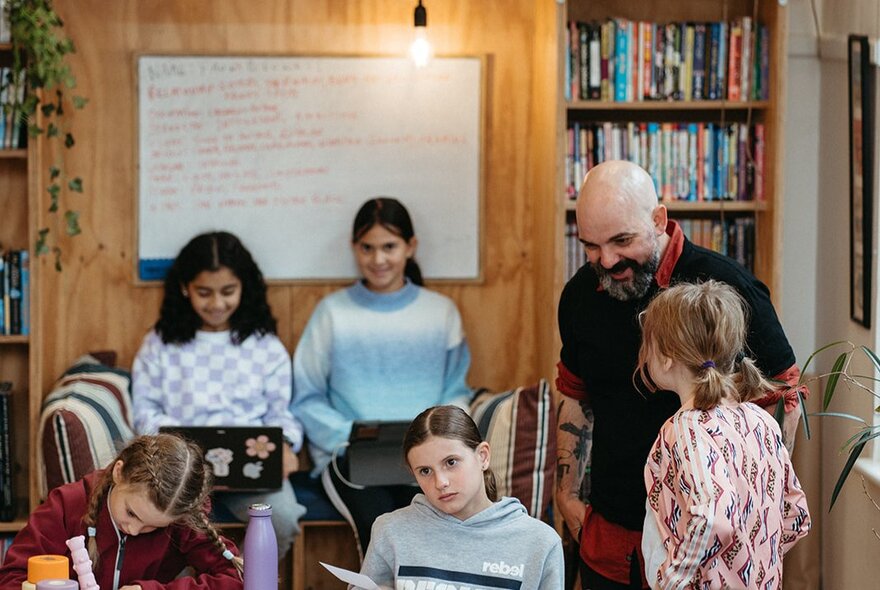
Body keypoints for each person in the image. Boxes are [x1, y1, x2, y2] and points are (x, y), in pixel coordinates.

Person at [555, 160, 807, 589]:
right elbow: (576, 394)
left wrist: (751, 523)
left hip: (707, 558)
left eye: (622, 240)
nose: (608, 260)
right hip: (610, 536)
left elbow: (783, 394)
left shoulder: (727, 288)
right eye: (591, 246)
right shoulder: (580, 295)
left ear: (659, 220)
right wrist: (567, 492)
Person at [291, 197, 472, 555]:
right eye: (367, 248)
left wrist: (436, 444)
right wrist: (349, 438)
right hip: (350, 459)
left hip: (426, 457)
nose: (378, 259)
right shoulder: (331, 313)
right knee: (380, 533)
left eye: (389, 246)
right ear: (354, 248)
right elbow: (306, 398)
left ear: (410, 247)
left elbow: (456, 390)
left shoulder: (441, 313)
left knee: (433, 530)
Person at [132, 231, 305, 558]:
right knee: (164, 523)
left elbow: (282, 412)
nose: (216, 304)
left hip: (253, 471)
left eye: (228, 292)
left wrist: (285, 445)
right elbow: (145, 410)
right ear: (185, 288)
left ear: (244, 287)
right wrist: (174, 444)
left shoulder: (264, 345)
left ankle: (244, 580)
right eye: (203, 293)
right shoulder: (160, 344)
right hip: (180, 470)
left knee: (281, 518)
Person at [638, 281, 811, 588]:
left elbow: (711, 517)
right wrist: (754, 559)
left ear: (665, 357)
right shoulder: (762, 420)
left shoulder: (685, 430)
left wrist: (671, 580)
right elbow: (796, 518)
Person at [0, 434, 243, 590]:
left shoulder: (181, 520)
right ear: (119, 472)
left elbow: (237, 578)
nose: (134, 530)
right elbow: (11, 577)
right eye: (131, 513)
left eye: (154, 527)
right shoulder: (66, 505)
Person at [359, 405, 564, 589]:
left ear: (482, 456)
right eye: (425, 471)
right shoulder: (389, 530)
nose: (441, 482)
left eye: (451, 462)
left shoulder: (540, 542)